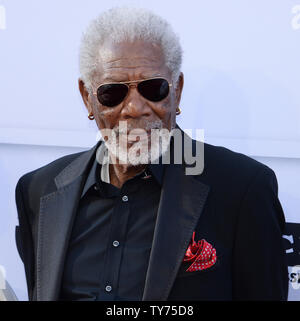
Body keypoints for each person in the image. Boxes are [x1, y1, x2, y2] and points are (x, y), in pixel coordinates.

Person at [15, 7, 288, 301]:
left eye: (153, 88)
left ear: (177, 91)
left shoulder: (243, 189)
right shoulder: (39, 190)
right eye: (113, 92)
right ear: (87, 98)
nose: (135, 108)